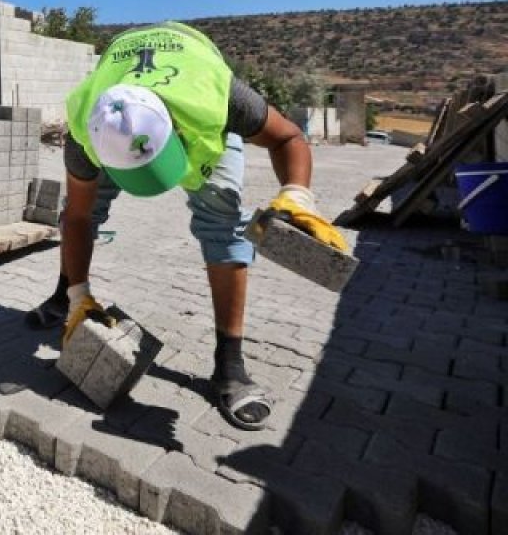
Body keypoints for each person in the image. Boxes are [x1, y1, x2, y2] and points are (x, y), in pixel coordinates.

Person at [25, 21, 347, 431]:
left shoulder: (220, 98)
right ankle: (66, 299)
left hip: (193, 90)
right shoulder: (87, 130)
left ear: (175, 131)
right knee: (87, 207)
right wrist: (79, 296)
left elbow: (288, 138)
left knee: (223, 226)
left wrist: (298, 195)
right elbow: (78, 217)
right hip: (124, 91)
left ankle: (229, 367)